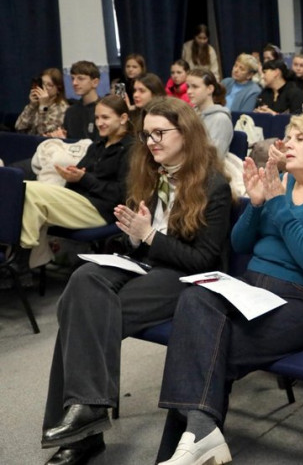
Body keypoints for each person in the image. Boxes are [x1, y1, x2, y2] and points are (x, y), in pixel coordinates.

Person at [156, 111, 303, 464]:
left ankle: (182, 450)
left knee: (201, 351)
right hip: (253, 290)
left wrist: (277, 203)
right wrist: (256, 203)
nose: (287, 144)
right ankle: (201, 436)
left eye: (299, 138)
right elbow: (240, 243)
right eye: (288, 136)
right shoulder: (282, 185)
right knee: (195, 297)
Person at [41, 97, 232, 465]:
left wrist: (148, 236)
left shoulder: (214, 185)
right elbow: (139, 237)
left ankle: (83, 434)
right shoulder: (148, 172)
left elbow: (203, 260)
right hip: (143, 262)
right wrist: (131, 237)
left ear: (186, 133)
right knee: (83, 279)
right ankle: (87, 414)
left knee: (80, 315)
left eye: (160, 133)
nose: (151, 142)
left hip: (184, 276)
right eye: (146, 134)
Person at [16, 95, 134, 270]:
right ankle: (30, 257)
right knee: (25, 189)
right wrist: (71, 176)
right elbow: (81, 176)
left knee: (31, 191)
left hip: (103, 210)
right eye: (97, 118)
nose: (99, 123)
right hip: (81, 201)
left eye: (105, 117)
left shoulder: (131, 150)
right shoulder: (97, 146)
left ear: (123, 118)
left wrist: (83, 178)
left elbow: (122, 193)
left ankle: (23, 256)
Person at [186, 68, 233, 160]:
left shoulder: (220, 119)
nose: (189, 91)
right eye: (188, 86)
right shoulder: (190, 114)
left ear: (210, 89)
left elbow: (214, 158)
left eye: (195, 87)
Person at [16, 68, 69, 136]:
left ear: (58, 88)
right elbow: (19, 126)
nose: (44, 88)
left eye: (49, 85)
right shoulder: (37, 103)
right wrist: (32, 105)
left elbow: (44, 133)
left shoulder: (62, 108)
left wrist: (43, 107)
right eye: (42, 84)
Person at [63, 61, 102, 141]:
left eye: (80, 78)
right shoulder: (71, 112)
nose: (74, 83)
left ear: (95, 82)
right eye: (73, 78)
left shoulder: (105, 109)